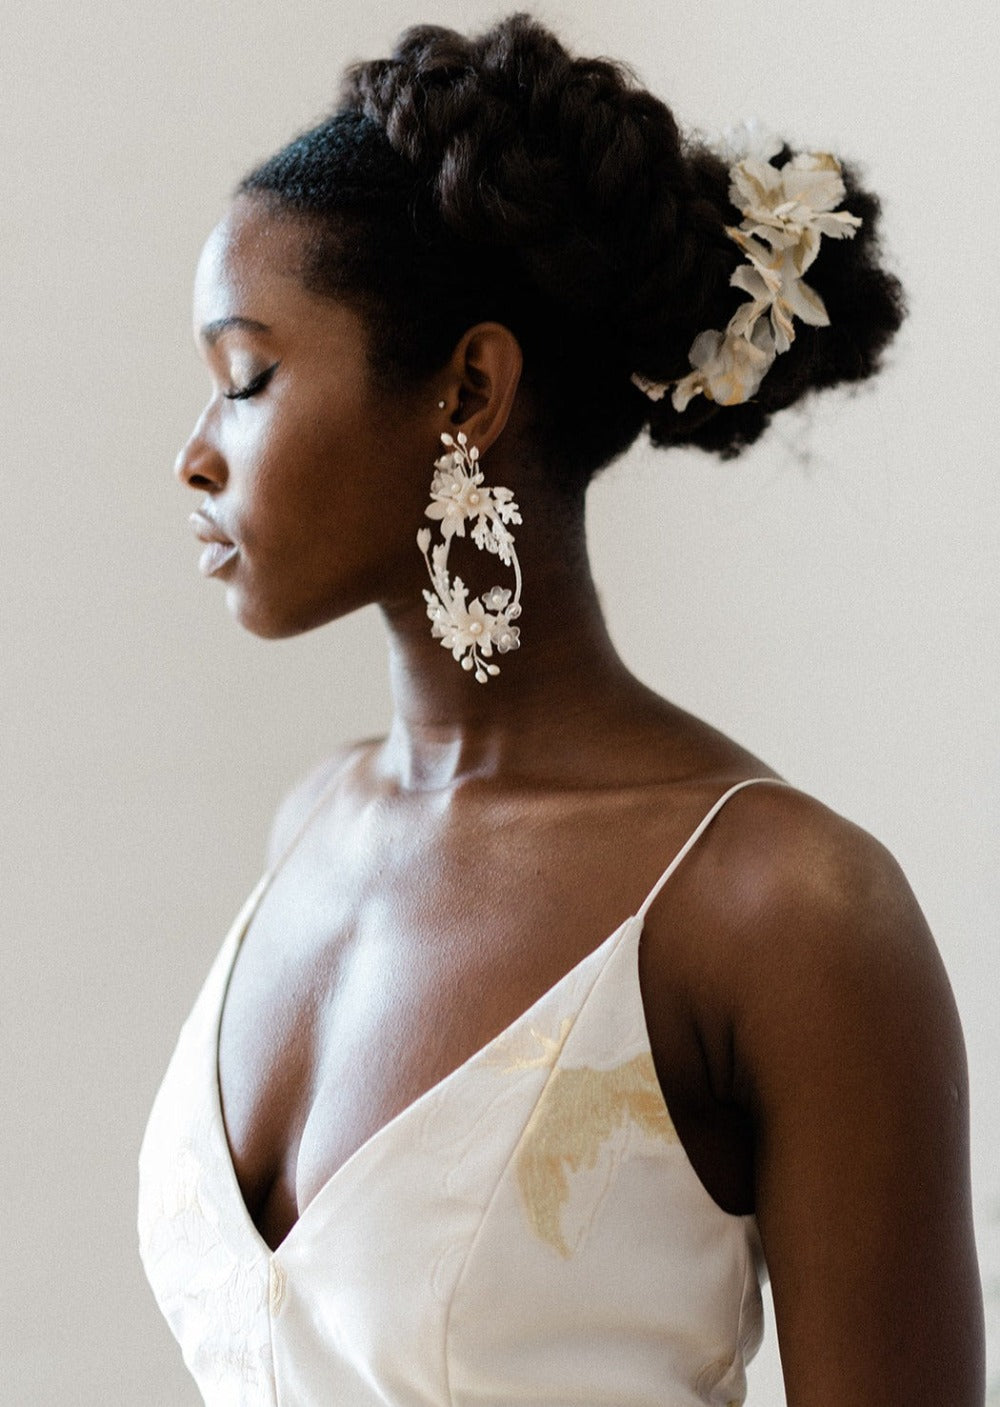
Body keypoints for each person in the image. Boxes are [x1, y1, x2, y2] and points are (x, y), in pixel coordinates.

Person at [137, 14, 984, 1405]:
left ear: (467, 390)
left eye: (246, 379)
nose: (194, 456)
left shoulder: (787, 914)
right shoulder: (312, 826)